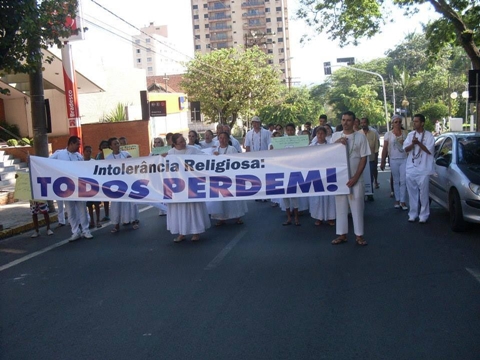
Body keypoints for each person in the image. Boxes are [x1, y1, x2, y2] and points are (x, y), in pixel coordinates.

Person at [331, 111, 370, 246]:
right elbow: (328, 153)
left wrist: (356, 177)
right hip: (340, 179)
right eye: (343, 120)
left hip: (356, 179)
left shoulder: (360, 137)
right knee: (340, 207)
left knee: (357, 207)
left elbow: (364, 158)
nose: (345, 123)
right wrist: (337, 143)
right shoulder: (336, 135)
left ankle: (359, 236)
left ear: (354, 122)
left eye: (348, 120)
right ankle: (342, 234)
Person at [165, 133, 211, 242]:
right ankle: (182, 233)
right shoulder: (170, 153)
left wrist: (215, 155)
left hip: (192, 184)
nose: (183, 143)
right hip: (178, 186)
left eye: (184, 140)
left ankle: (196, 232)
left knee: (193, 207)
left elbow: (205, 158)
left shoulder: (192, 150)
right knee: (179, 209)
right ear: (174, 143)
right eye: (180, 142)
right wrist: (161, 158)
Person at [49, 136, 93, 242]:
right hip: (66, 188)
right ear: (71, 144)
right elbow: (46, 162)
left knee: (82, 210)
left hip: (79, 187)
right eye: (78, 144)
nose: (79, 146)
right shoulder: (59, 154)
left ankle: (86, 231)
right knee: (70, 211)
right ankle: (75, 232)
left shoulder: (79, 156)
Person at [208, 132, 248, 225]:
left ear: (228, 139)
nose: (222, 140)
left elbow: (236, 162)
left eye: (224, 138)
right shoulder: (214, 151)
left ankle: (237, 216)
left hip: (231, 177)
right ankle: (221, 218)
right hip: (219, 178)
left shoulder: (232, 149)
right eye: (220, 138)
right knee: (221, 199)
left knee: (233, 199)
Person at [403, 113, 435, 223]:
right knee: (412, 193)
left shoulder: (429, 136)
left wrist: (419, 143)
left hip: (424, 169)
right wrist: (413, 144)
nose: (414, 123)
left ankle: (424, 215)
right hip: (411, 168)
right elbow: (405, 149)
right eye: (413, 121)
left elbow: (429, 151)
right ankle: (412, 214)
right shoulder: (410, 134)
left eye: (416, 121)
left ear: (422, 123)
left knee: (424, 194)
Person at [106, 137, 140, 233]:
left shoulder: (126, 154)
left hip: (127, 182)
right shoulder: (108, 158)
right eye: (115, 144)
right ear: (110, 146)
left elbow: (133, 166)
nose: (117, 145)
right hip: (115, 184)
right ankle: (116, 224)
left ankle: (134, 221)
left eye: (118, 143)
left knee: (130, 202)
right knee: (116, 204)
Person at [309, 127, 336, 226]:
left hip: (328, 174)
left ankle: (330, 217)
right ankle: (318, 217)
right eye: (318, 133)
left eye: (322, 133)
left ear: (325, 134)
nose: (320, 135)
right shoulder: (311, 146)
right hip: (316, 174)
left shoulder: (331, 146)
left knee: (329, 196)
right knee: (317, 197)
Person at [380, 115, 408, 210]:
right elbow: (385, 148)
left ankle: (403, 201)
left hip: (404, 159)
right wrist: (382, 161)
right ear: (392, 123)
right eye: (396, 122)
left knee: (403, 180)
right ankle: (397, 200)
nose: (398, 124)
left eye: (399, 122)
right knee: (396, 180)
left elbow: (409, 146)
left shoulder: (405, 133)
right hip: (393, 159)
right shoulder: (388, 134)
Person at [282, 123, 301, 226]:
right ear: (286, 131)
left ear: (294, 130)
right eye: (288, 130)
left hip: (295, 170)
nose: (290, 132)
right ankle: (289, 218)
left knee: (294, 195)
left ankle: (297, 218)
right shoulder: (281, 141)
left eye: (291, 130)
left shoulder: (299, 141)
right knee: (285, 195)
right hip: (283, 170)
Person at [360, 117, 379, 201]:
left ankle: (370, 193)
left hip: (371, 158)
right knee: (362, 176)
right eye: (362, 123)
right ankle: (363, 194)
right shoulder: (358, 134)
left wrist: (376, 158)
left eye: (365, 122)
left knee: (370, 176)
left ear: (367, 123)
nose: (363, 124)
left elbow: (376, 146)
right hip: (361, 159)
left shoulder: (373, 133)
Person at [84, 145, 102, 229]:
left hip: (94, 185)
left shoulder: (94, 162)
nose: (88, 153)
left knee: (96, 204)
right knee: (89, 205)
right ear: (84, 152)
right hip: (85, 186)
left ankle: (98, 220)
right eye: (87, 151)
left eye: (90, 151)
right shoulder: (80, 162)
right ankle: (92, 220)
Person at [95, 139, 110, 222]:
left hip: (107, 178)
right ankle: (99, 217)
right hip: (99, 178)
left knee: (106, 198)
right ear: (100, 147)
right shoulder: (98, 155)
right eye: (103, 145)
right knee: (100, 198)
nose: (104, 146)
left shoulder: (109, 155)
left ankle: (107, 214)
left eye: (106, 145)